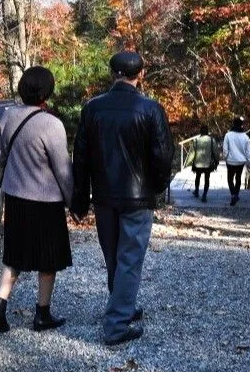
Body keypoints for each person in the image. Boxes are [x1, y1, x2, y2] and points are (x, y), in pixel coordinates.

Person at [71, 52, 174, 346]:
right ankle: (116, 325)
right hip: (137, 197)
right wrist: (156, 187)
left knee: (113, 256)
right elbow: (163, 156)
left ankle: (122, 304)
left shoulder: (93, 109)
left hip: (104, 195)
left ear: (111, 73)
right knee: (129, 258)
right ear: (139, 74)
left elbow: (81, 158)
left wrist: (79, 199)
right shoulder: (151, 108)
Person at [0, 66, 74, 333]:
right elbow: (63, 170)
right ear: (47, 91)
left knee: (15, 256)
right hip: (46, 202)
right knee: (48, 260)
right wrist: (72, 201)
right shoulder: (52, 124)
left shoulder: (9, 116)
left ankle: (0, 306)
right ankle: (42, 314)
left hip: (16, 198)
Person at [185, 124, 219, 203]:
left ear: (200, 131)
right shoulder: (211, 140)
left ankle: (196, 191)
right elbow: (215, 152)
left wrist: (187, 163)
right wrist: (217, 161)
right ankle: (204, 195)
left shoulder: (196, 140)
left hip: (198, 163)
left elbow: (192, 153)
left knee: (198, 177)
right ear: (207, 131)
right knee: (207, 179)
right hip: (208, 164)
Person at [223, 116, 250, 206]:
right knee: (238, 178)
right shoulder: (245, 137)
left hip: (231, 161)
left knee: (230, 178)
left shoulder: (228, 135)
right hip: (240, 161)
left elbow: (225, 149)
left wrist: (225, 157)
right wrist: (249, 161)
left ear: (233, 123)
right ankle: (236, 194)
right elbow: (248, 151)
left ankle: (233, 194)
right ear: (241, 125)